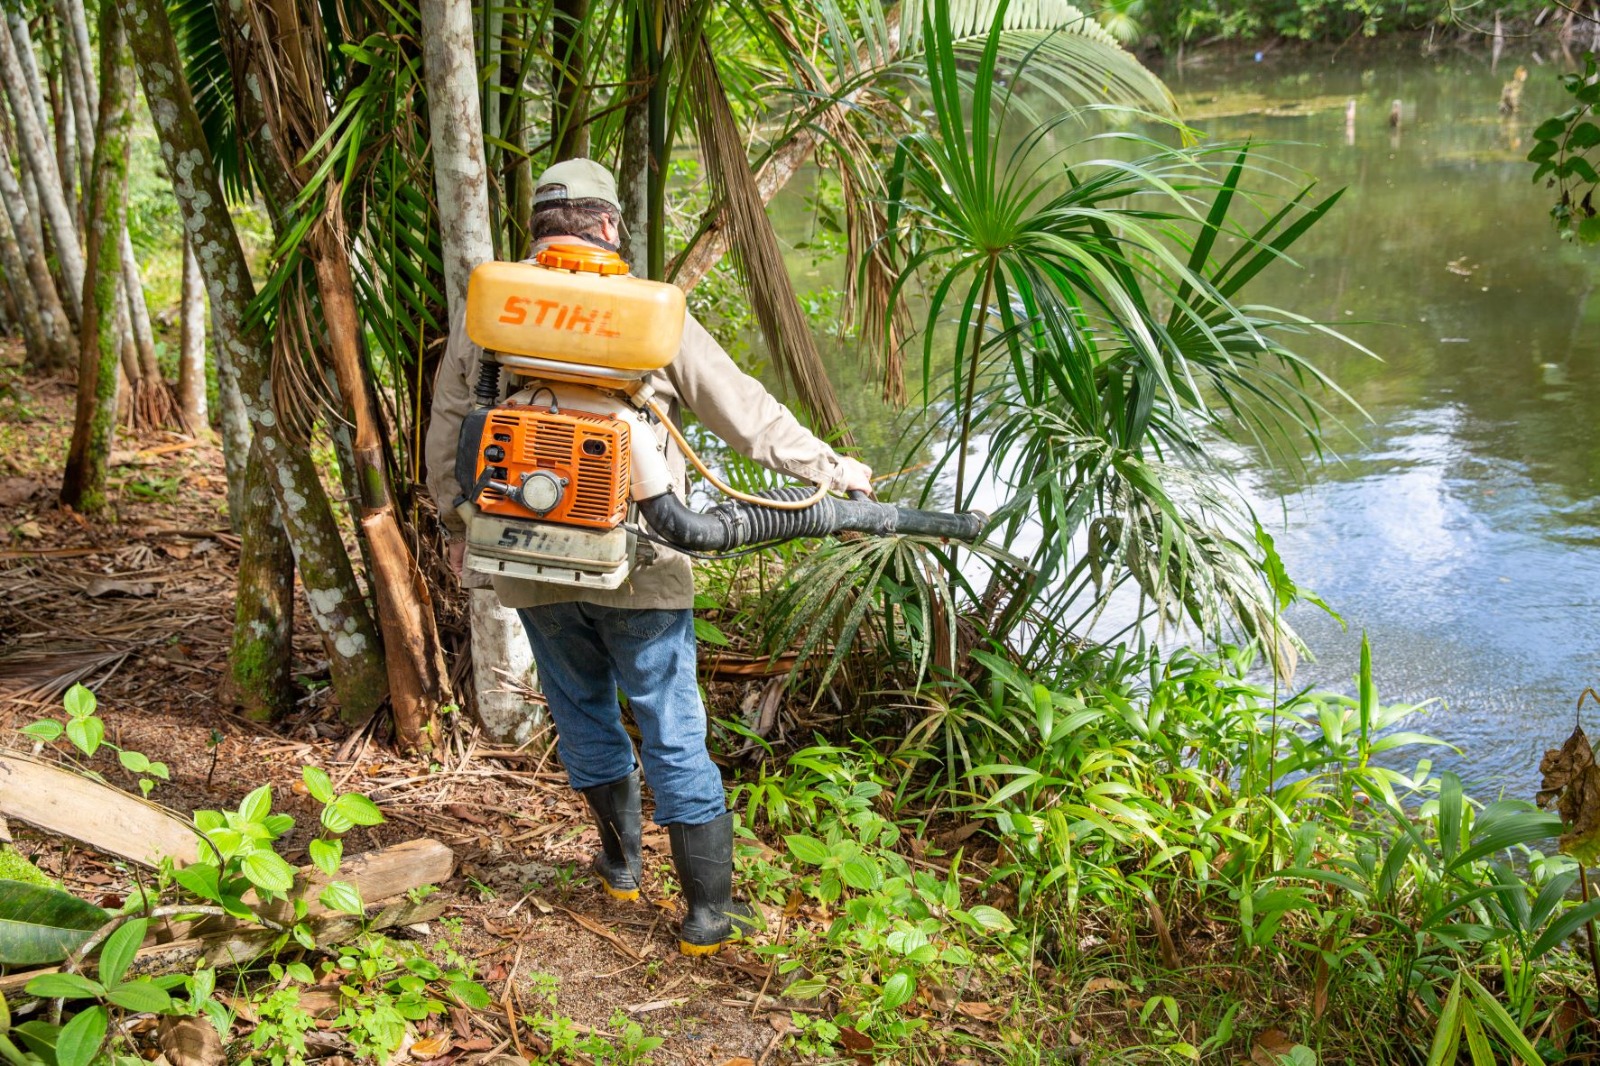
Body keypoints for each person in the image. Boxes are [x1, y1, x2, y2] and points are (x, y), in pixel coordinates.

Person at [425, 158, 873, 955]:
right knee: (670, 727)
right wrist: (836, 475)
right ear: (606, 227)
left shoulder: (489, 306)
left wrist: (462, 523)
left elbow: (450, 428)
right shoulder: (644, 312)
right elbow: (746, 414)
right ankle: (709, 913)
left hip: (528, 560)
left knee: (581, 710)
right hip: (643, 554)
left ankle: (619, 862)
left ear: (540, 228)